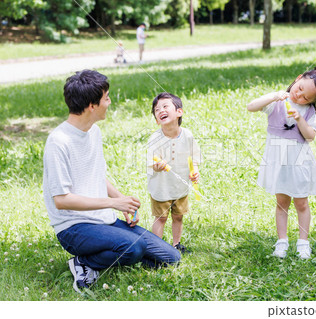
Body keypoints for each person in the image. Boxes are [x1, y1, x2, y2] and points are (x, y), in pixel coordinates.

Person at [43, 70, 180, 293]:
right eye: (106, 98)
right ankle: (84, 263)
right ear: (92, 106)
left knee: (170, 257)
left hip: (103, 219)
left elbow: (96, 175)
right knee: (135, 248)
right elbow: (61, 200)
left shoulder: (93, 132)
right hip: (73, 227)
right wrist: (113, 204)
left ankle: (111, 251)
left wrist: (121, 200)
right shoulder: (59, 142)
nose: (109, 102)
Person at [246, 67, 316, 259]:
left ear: (311, 102)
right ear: (298, 78)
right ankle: (282, 242)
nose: (299, 95)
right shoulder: (277, 102)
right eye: (300, 88)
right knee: (282, 202)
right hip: (278, 163)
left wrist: (299, 118)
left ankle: (303, 242)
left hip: (299, 164)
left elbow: (310, 137)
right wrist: (273, 96)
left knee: (301, 203)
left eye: (305, 98)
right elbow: (251, 106)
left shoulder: (308, 112)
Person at [147, 92, 201, 254]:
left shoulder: (187, 135)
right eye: (157, 110)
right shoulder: (155, 139)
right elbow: (151, 163)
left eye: (165, 106)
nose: (161, 110)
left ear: (179, 112)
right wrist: (157, 166)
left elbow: (194, 155)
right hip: (161, 188)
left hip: (180, 186)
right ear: (157, 120)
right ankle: (156, 248)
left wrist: (195, 170)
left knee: (178, 216)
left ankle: (176, 244)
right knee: (161, 217)